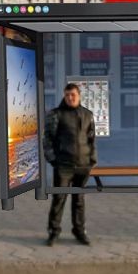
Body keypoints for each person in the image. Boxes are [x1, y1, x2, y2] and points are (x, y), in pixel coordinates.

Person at [43, 82, 96, 246]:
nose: (70, 98)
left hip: (83, 165)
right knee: (59, 198)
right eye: (67, 95)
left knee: (79, 199)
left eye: (73, 95)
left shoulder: (88, 115)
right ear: (64, 96)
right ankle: (54, 231)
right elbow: (47, 140)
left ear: (79, 96)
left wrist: (92, 160)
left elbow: (92, 138)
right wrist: (53, 160)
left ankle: (79, 231)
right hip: (63, 166)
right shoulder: (55, 114)